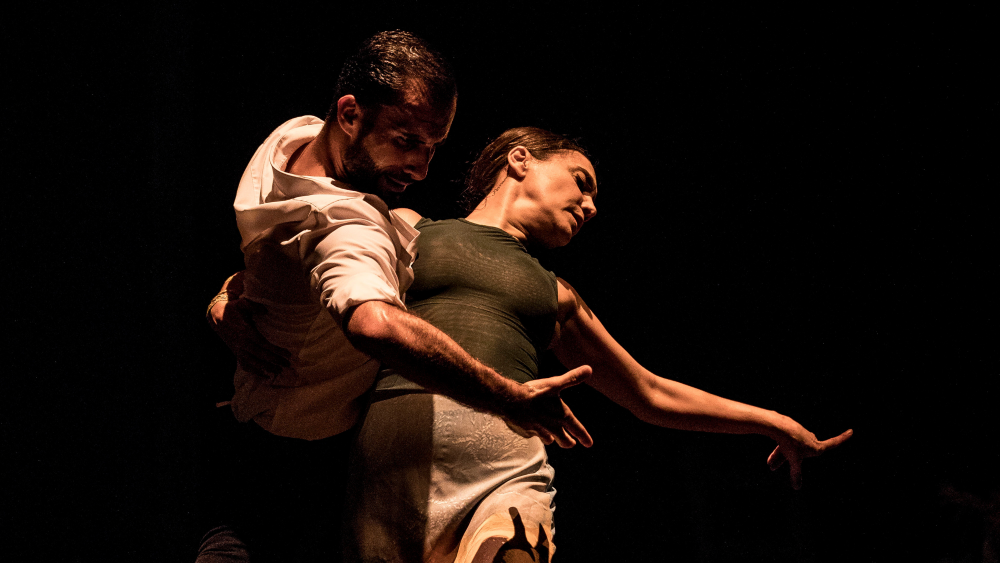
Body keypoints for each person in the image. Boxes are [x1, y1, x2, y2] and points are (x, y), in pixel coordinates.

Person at [213, 127, 853, 562]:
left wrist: (773, 423)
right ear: (521, 159)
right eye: (582, 181)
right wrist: (224, 303)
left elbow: (650, 392)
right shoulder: (409, 229)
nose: (591, 204)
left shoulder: (557, 293)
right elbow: (291, 257)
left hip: (505, 470)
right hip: (386, 472)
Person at [196, 33, 593, 563]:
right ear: (350, 113)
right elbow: (374, 323)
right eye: (406, 141)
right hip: (298, 458)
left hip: (290, 439)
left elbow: (282, 248)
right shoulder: (351, 226)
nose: (421, 168)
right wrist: (505, 396)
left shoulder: (291, 140)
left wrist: (229, 293)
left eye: (433, 148)